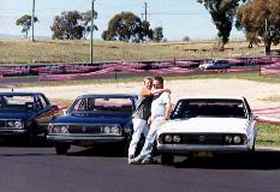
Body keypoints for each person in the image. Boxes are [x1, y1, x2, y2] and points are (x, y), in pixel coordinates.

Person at [130, 76, 172, 164]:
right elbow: (154, 104)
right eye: (153, 84)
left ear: (161, 84)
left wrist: (166, 117)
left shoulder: (164, 94)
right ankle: (146, 157)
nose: (153, 86)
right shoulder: (147, 91)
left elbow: (168, 106)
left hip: (159, 119)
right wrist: (151, 117)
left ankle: (140, 156)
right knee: (146, 138)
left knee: (149, 138)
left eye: (156, 84)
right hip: (142, 118)